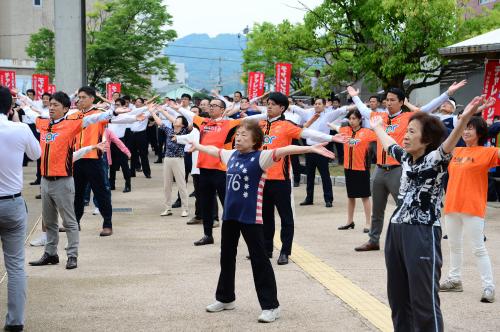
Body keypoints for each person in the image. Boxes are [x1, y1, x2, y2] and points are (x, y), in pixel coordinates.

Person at [192, 121, 335, 323]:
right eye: (237, 135)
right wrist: (196, 146)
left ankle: (271, 306)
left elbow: (285, 149)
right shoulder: (230, 155)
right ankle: (225, 298)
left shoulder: (261, 157)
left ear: (255, 141)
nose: (238, 138)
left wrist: (310, 147)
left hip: (251, 217)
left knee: (259, 260)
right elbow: (213, 150)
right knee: (226, 257)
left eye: (243, 135)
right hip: (230, 217)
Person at [371, 95, 485, 332]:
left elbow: (449, 143)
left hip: (422, 232)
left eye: (412, 131)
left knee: (423, 301)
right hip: (397, 230)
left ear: (427, 139)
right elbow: (388, 142)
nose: (406, 135)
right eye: (406, 130)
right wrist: (378, 127)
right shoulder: (405, 158)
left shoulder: (436, 159)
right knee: (398, 299)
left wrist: (463, 120)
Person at [350, 82, 465, 251]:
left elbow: (427, 108)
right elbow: (363, 110)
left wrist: (447, 93)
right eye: (387, 100)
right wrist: (354, 96)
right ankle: (373, 240)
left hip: (398, 168)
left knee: (405, 205)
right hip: (380, 168)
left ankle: (406, 240)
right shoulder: (379, 117)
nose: (388, 103)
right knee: (377, 208)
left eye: (392, 100)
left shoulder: (408, 118)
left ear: (401, 102)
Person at [26, 91, 134, 268]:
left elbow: (95, 118)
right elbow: (29, 111)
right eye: (50, 105)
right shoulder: (44, 123)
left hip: (66, 177)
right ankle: (50, 254)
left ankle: (72, 254)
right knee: (50, 221)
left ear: (66, 109)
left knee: (71, 220)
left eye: (56, 105)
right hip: (46, 180)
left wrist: (113, 112)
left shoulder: (72, 123)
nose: (51, 108)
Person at [258, 92, 348, 265]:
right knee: (265, 217)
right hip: (262, 178)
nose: (268, 106)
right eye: (267, 103)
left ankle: (285, 251)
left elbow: (307, 133)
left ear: (282, 108)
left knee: (285, 216)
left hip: (280, 179)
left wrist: (331, 137)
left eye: (272, 104)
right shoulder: (260, 125)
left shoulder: (286, 126)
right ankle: (267, 248)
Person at [173, 99, 266, 245]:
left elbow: (249, 119)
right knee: (206, 203)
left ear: (222, 110)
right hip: (204, 168)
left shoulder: (229, 123)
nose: (210, 108)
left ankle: (240, 234)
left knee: (228, 203)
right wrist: (177, 108)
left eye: (214, 106)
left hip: (222, 170)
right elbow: (190, 115)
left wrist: (266, 114)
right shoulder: (204, 122)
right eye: (210, 106)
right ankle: (207, 235)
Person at [440, 102, 499, 303]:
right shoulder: (455, 151)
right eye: (464, 128)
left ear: (480, 132)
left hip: (473, 207)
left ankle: (488, 287)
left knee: (478, 249)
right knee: (454, 247)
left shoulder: (488, 152)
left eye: (470, 128)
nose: (465, 131)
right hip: (452, 206)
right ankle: (455, 280)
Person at [0, 86, 41, 332]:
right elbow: (36, 155)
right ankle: (15, 322)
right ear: (9, 107)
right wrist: (16, 120)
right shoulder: (20, 128)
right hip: (12, 203)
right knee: (15, 265)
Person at [329, 110, 376, 233]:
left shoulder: (367, 133)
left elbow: (381, 135)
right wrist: (330, 120)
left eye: (354, 118)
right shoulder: (345, 131)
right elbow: (333, 125)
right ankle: (349, 221)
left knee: (365, 196)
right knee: (351, 196)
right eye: (350, 118)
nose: (352, 121)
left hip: (362, 168)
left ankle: (368, 223)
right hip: (348, 168)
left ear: (360, 119)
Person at [148, 105, 189, 217]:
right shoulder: (169, 130)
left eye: (178, 120)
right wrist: (154, 113)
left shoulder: (184, 131)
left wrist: (163, 111)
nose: (175, 120)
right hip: (167, 159)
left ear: (182, 124)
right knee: (167, 185)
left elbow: (172, 119)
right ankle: (168, 208)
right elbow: (160, 122)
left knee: (181, 185)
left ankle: (185, 208)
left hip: (178, 159)